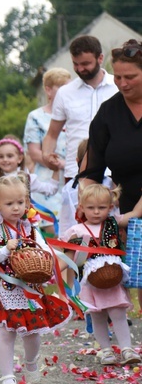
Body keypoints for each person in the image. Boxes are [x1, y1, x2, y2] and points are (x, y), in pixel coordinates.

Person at [0, 175, 72, 384]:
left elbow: (45, 251)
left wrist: (46, 256)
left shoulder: (32, 230)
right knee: (7, 333)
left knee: (32, 334)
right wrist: (5, 250)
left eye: (20, 203)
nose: (15, 208)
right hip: (4, 289)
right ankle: (7, 377)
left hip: (30, 289)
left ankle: (30, 362)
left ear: (27, 203)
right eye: (9, 204)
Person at [83, 39, 142, 312]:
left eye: (130, 77)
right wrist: (88, 205)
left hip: (133, 213)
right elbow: (91, 169)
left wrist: (132, 215)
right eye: (117, 76)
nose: (122, 83)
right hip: (128, 207)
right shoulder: (109, 111)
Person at [42, 35, 117, 236]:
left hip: (113, 171)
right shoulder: (65, 93)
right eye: (76, 64)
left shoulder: (118, 87)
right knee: (74, 233)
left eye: (85, 63)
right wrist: (46, 154)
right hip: (76, 173)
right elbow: (52, 134)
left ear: (100, 58)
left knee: (113, 231)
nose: (80, 69)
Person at [60, 184, 140, 366]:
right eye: (91, 208)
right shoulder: (76, 231)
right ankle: (106, 350)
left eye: (102, 207)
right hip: (90, 283)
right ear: (81, 207)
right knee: (97, 316)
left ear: (110, 207)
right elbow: (69, 257)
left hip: (113, 280)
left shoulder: (113, 222)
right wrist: (56, 271)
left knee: (118, 312)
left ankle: (127, 348)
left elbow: (134, 214)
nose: (96, 212)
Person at [23, 68, 72, 233]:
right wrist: (57, 164)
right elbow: (34, 152)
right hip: (46, 180)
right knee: (50, 230)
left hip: (73, 177)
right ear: (48, 89)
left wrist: (69, 164)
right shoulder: (36, 116)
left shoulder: (74, 115)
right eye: (61, 87)